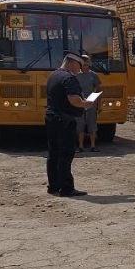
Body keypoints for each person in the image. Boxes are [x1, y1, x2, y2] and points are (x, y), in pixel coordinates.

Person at [46, 52, 95, 197]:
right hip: (64, 120)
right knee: (66, 154)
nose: (79, 70)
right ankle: (66, 188)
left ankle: (53, 186)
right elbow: (74, 99)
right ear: (72, 63)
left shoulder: (53, 75)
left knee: (53, 153)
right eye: (79, 66)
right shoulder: (69, 78)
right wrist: (86, 103)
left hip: (51, 118)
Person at [75, 54, 101, 153]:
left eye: (86, 64)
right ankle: (80, 146)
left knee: (92, 124)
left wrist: (99, 104)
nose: (85, 66)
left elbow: (98, 89)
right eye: (83, 64)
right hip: (80, 103)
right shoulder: (76, 75)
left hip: (91, 103)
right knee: (80, 125)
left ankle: (93, 146)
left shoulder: (94, 75)